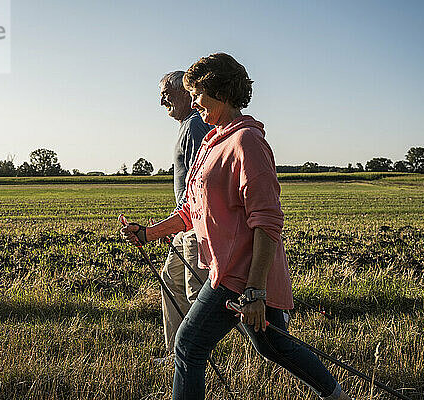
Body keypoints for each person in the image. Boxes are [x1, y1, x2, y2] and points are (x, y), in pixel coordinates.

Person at [122, 53, 353, 400]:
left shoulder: (248, 142)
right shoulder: (212, 141)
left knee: (188, 344)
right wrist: (148, 233)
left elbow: (268, 222)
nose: (195, 101)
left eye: (198, 93)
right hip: (227, 271)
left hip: (241, 276)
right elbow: (191, 209)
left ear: (222, 92)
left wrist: (256, 291)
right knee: (273, 345)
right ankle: (336, 395)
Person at [158, 71, 212, 355]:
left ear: (186, 93)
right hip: (183, 225)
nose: (162, 99)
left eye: (166, 91)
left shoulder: (194, 127)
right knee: (170, 283)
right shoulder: (187, 126)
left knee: (195, 294)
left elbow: (198, 184)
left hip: (194, 226)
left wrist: (176, 224)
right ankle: (176, 355)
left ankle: (194, 356)